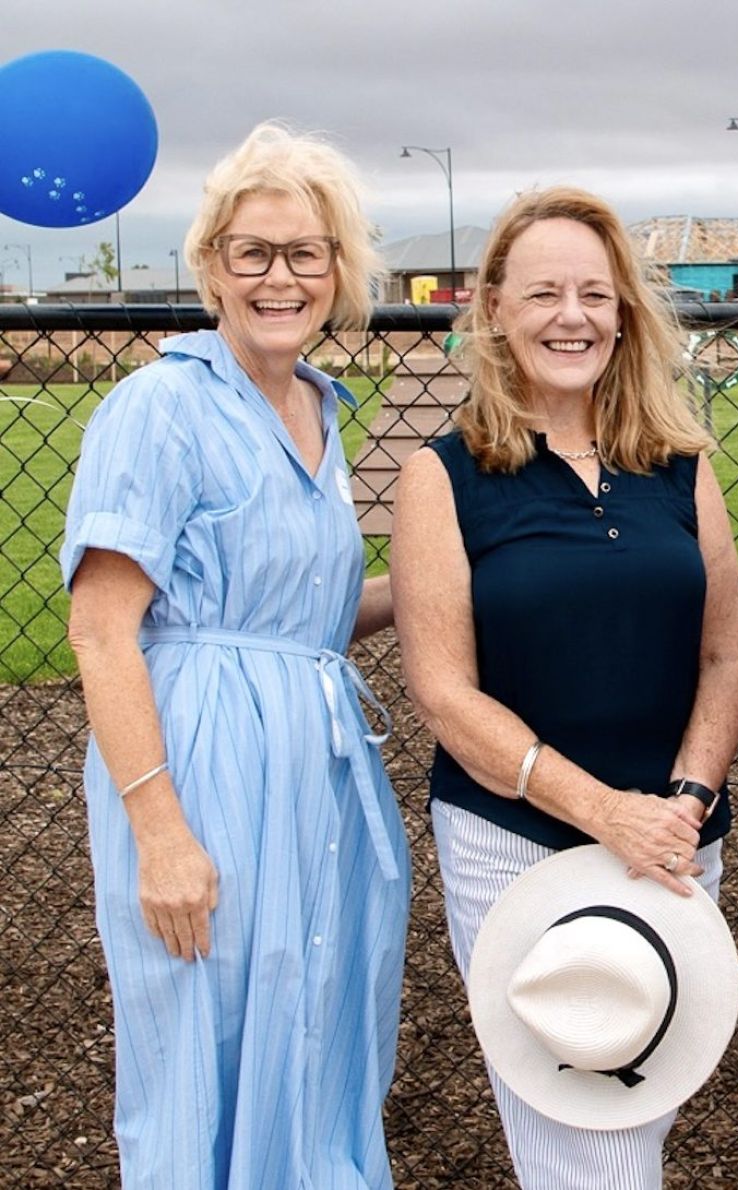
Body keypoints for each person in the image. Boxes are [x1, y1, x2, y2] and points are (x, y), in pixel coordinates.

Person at [62, 122, 407, 1187]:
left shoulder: (316, 405)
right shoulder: (162, 404)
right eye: (252, 252)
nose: (279, 276)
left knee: (312, 1021)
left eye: (305, 253)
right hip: (201, 763)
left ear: (337, 270)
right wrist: (160, 832)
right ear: (210, 264)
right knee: (204, 1038)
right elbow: (101, 626)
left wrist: (451, 592)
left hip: (316, 764)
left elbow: (298, 614)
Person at [390, 185, 738, 1188]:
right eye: (544, 291)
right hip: (516, 843)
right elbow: (446, 694)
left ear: (626, 313)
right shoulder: (446, 475)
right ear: (495, 309)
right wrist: (606, 814)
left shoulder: (678, 465)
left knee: (638, 1101)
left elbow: (729, 655)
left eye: (596, 293)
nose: (572, 316)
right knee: (576, 1131)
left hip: (675, 842)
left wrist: (682, 801)